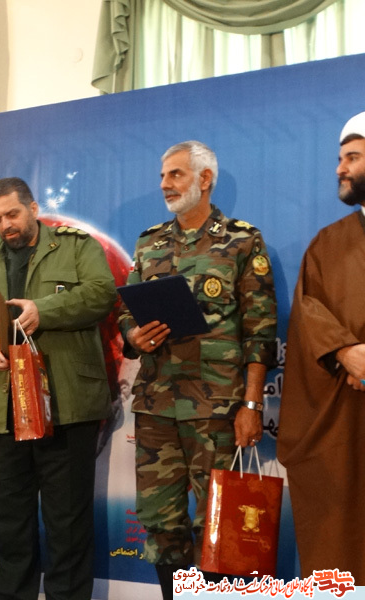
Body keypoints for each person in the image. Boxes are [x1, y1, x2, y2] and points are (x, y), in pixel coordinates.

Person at [118, 141, 277, 598]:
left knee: (220, 526)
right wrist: (134, 335)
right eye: (162, 176)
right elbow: (127, 312)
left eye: (176, 174)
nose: (164, 184)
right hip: (156, 407)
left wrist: (251, 406)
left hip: (217, 409)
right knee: (161, 526)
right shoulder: (149, 242)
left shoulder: (242, 240)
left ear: (205, 179)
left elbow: (260, 331)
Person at [0, 177, 117, 600]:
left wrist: (44, 310)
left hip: (66, 405)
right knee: (11, 525)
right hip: (4, 409)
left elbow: (102, 294)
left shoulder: (77, 247)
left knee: (68, 525)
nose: (5, 224)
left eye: (12, 214)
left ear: (33, 208)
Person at [278, 111, 365, 582]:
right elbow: (309, 310)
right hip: (345, 416)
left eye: (352, 157)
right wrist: (345, 352)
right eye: (340, 158)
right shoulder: (328, 244)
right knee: (342, 538)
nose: (340, 168)